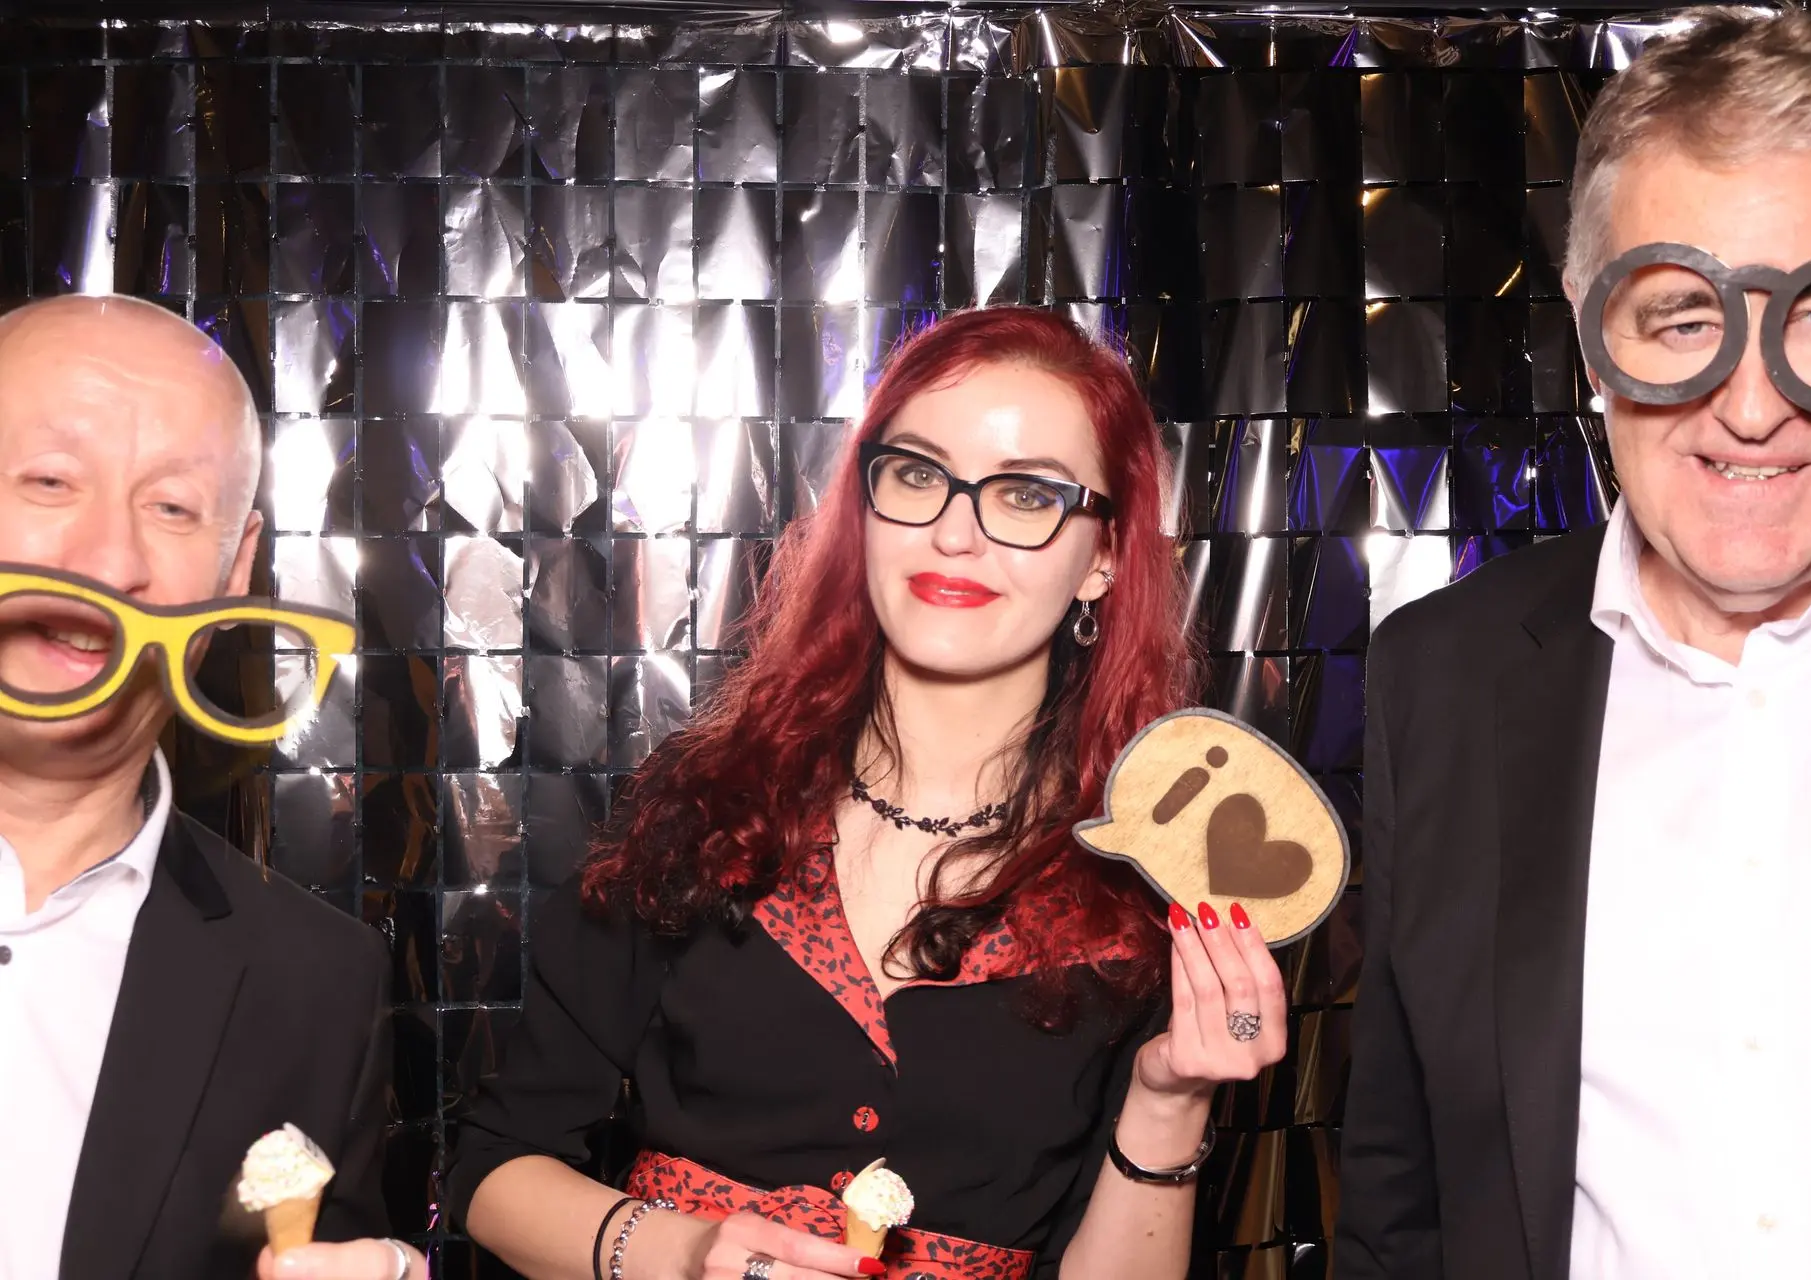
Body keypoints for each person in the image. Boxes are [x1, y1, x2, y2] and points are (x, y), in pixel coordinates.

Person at [386, 305, 1283, 1280]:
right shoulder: (706, 806)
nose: (955, 531)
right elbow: (492, 1168)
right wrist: (687, 1253)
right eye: (918, 474)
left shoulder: (1147, 889)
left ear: (1102, 556)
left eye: (1027, 494)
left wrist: (1169, 1101)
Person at [1335, 9, 1811, 1280]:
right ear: (1594, 337)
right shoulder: (1444, 677)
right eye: (1683, 318)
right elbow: (1399, 1200)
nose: (1754, 407)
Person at [0, 294, 409, 1280]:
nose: (109, 563)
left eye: (173, 507)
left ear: (235, 571)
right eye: (50, 479)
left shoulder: (317, 987)